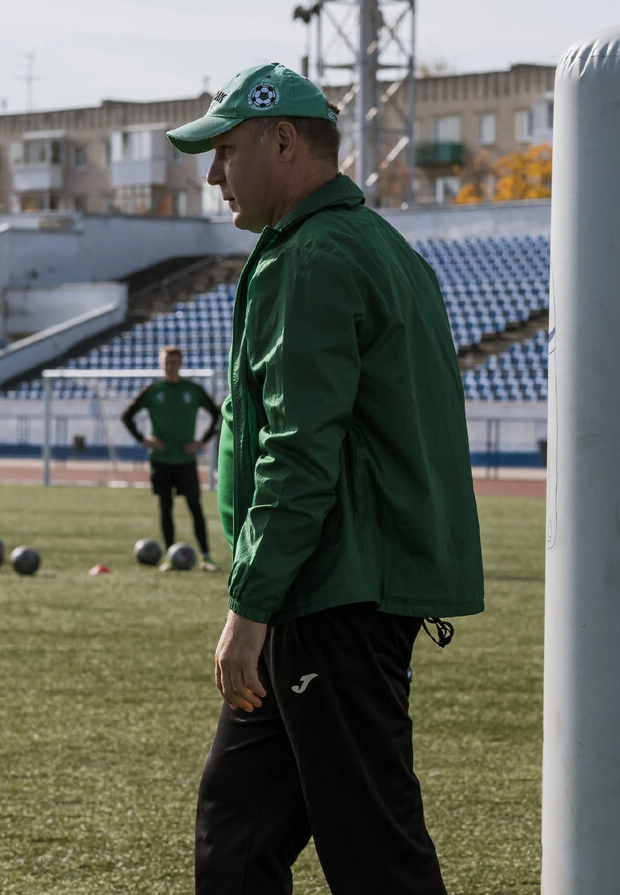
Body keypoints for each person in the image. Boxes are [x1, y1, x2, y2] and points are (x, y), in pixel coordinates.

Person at [167, 62, 484, 895]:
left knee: (372, 847)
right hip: (331, 587)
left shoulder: (312, 257)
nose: (212, 175)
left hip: (334, 592)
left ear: (282, 140)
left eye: (225, 151)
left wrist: (250, 605)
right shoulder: (376, 247)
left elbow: (299, 451)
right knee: (236, 829)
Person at [121, 345, 222, 572]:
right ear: (161, 363)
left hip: (185, 460)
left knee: (195, 507)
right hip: (161, 460)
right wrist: (143, 439)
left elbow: (217, 414)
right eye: (167, 361)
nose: (170, 365)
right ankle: (170, 556)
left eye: (174, 361)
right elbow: (127, 416)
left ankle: (206, 557)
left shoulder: (193, 390)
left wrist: (203, 441)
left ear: (181, 363)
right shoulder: (153, 390)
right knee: (165, 508)